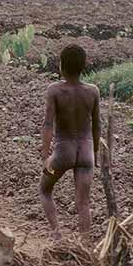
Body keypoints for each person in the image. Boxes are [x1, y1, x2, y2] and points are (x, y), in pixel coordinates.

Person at [40, 44, 100, 237]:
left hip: (63, 149)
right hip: (86, 150)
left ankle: (56, 233)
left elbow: (48, 124)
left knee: (45, 190)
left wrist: (45, 155)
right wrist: (96, 154)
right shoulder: (93, 91)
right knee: (83, 203)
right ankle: (85, 245)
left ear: (61, 66)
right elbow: (97, 126)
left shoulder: (54, 90)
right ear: (84, 67)